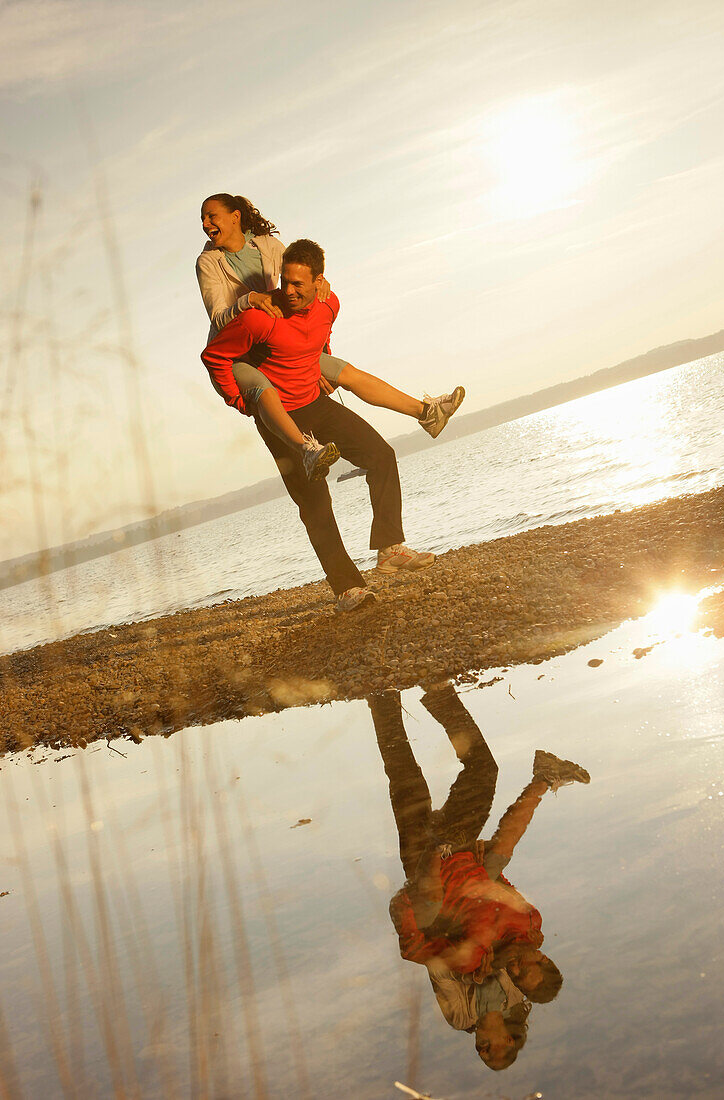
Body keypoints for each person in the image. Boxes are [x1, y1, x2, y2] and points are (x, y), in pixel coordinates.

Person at [201, 238, 437, 611]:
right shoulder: (259, 317)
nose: (289, 291)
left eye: (298, 284)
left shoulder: (330, 304)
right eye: (284, 282)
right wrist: (237, 399)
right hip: (281, 420)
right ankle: (347, 589)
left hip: (317, 403)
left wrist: (322, 361)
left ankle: (390, 548)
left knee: (381, 455)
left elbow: (321, 334)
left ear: (319, 282)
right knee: (315, 503)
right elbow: (214, 355)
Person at [368, 685, 590, 1071]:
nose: (516, 969)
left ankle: (382, 697)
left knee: (406, 779)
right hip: (462, 856)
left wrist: (428, 902)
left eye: (483, 1051)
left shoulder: (465, 1006)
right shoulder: (527, 937)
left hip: (429, 880)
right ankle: (439, 692)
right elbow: (499, 888)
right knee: (483, 770)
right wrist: (478, 859)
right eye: (527, 967)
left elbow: (437, 961)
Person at [197, 194, 465, 479]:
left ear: (235, 217)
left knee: (346, 372)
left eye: (211, 215)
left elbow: (304, 273)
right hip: (242, 352)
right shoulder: (208, 262)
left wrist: (322, 288)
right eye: (203, 218)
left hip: (279, 340)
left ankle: (426, 413)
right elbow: (218, 317)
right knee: (264, 389)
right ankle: (307, 451)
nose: (205, 223)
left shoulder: (267, 245)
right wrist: (251, 299)